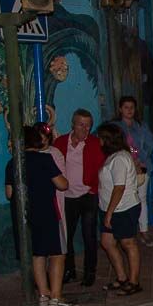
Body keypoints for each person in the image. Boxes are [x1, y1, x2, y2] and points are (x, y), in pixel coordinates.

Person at [5, 125, 76, 306]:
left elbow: (9, 193)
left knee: (37, 255)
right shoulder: (45, 158)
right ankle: (56, 297)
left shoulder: (13, 163)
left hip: (25, 218)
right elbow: (62, 184)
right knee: (57, 254)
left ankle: (43, 295)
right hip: (47, 213)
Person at [53, 109, 104, 288]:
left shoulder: (94, 143)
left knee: (89, 235)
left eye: (88, 125)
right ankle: (69, 269)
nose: (85, 129)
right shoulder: (60, 143)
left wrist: (94, 188)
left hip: (88, 195)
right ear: (73, 124)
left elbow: (102, 168)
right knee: (66, 236)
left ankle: (90, 272)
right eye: (81, 125)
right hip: (67, 197)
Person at [96, 123, 142, 296]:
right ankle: (122, 277)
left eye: (101, 137)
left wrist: (109, 213)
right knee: (107, 242)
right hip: (110, 208)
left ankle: (134, 281)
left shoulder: (120, 159)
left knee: (128, 243)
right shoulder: (113, 157)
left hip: (123, 208)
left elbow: (119, 187)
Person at [112, 96, 153, 247]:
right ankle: (125, 232)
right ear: (120, 109)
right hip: (123, 168)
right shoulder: (115, 127)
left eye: (132, 107)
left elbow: (149, 144)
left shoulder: (141, 126)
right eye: (126, 107)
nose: (129, 110)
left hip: (142, 166)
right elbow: (114, 145)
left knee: (141, 198)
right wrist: (129, 160)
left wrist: (139, 160)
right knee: (123, 199)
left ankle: (144, 231)